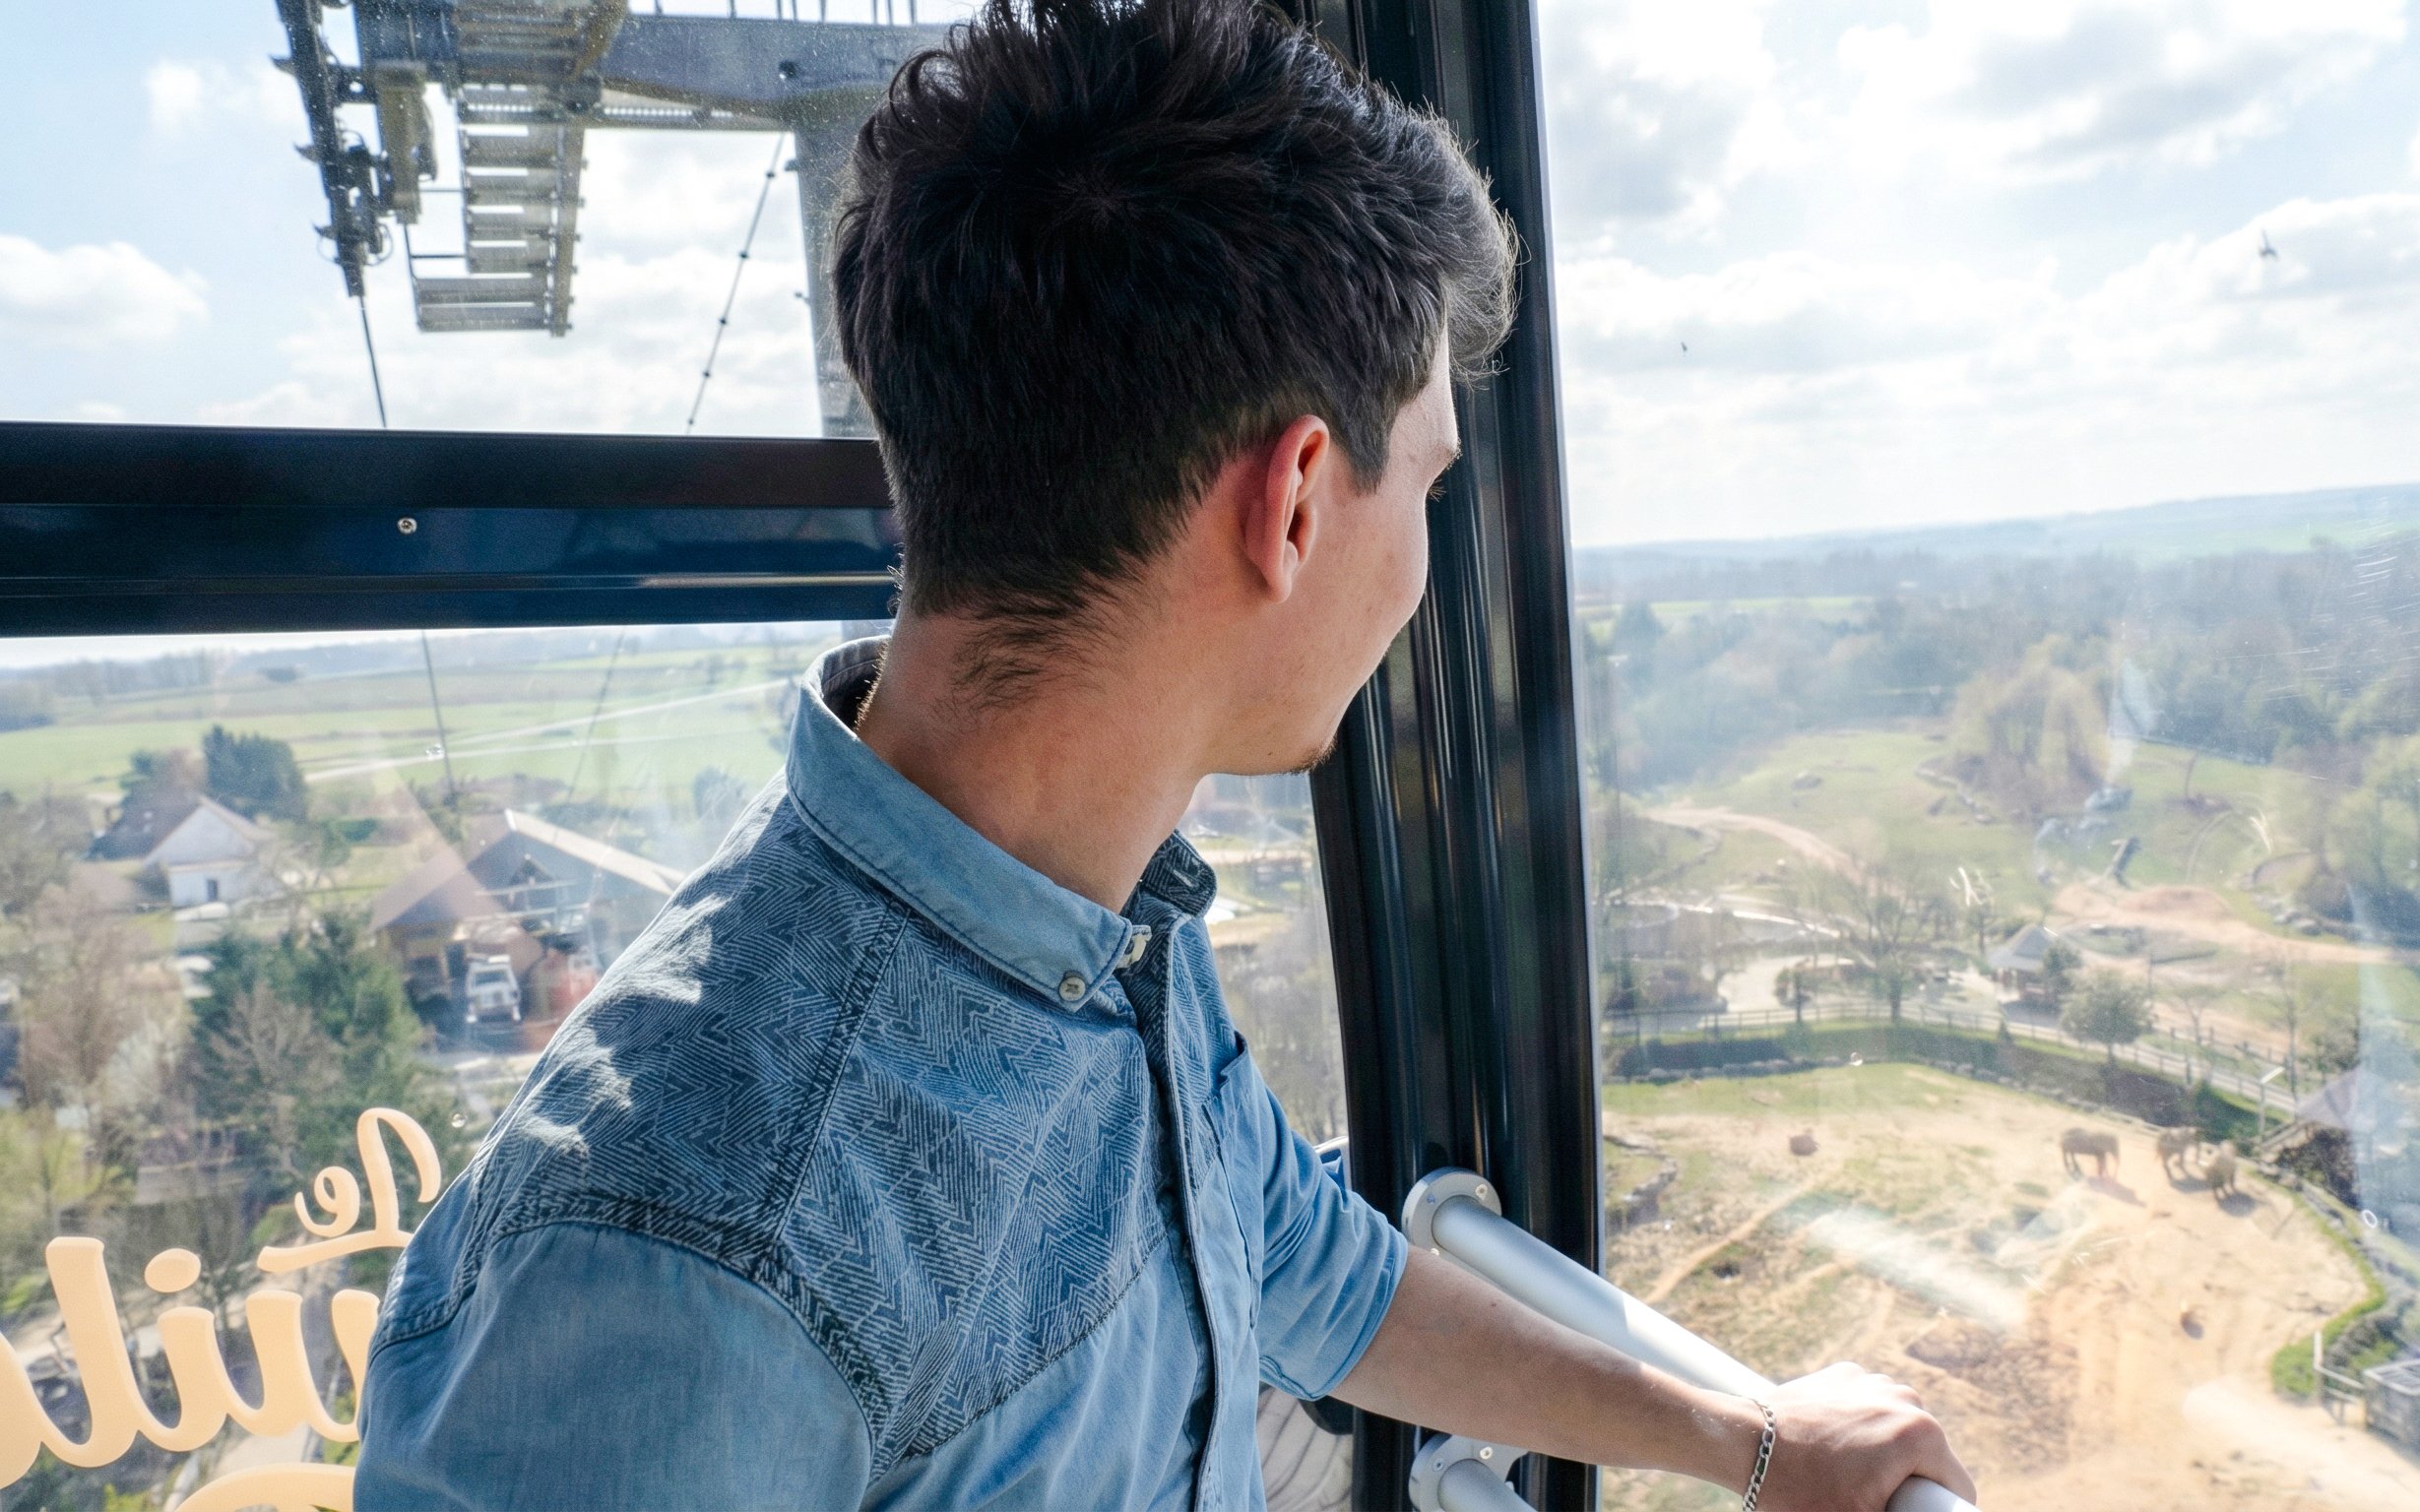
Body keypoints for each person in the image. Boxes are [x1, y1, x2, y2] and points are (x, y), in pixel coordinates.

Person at [353, 3, 1976, 1509]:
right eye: (1423, 486)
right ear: (1288, 503)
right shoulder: (691, 1254)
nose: (1418, 559)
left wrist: (1743, 1440)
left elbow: (1286, 1256)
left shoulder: (1096, 928)